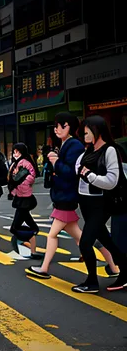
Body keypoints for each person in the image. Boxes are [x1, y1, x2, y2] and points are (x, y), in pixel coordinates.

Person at [25, 113, 119, 280]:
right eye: (56, 126)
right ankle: (113, 265)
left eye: (61, 126)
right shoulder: (64, 145)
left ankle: (45, 268)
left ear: (70, 127)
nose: (57, 129)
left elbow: (71, 173)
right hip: (63, 197)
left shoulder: (75, 145)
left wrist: (56, 162)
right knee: (83, 238)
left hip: (68, 198)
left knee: (53, 235)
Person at [71, 116, 126, 293]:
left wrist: (89, 176)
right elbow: (78, 168)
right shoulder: (89, 150)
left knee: (85, 243)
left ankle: (92, 282)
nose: (84, 134)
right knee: (107, 241)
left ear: (98, 130)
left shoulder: (109, 150)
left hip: (101, 204)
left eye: (87, 131)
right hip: (86, 202)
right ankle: (125, 271)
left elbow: (112, 181)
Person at [7, 143, 41, 258]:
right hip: (20, 197)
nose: (15, 154)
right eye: (14, 152)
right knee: (29, 222)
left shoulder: (25, 163)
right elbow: (12, 180)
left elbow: (32, 175)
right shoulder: (15, 164)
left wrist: (23, 184)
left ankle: (31, 238)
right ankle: (32, 248)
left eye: (18, 152)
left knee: (14, 228)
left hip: (25, 198)